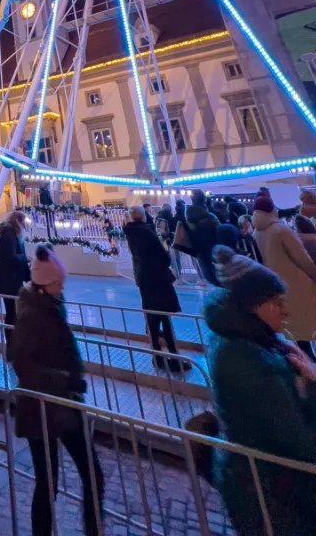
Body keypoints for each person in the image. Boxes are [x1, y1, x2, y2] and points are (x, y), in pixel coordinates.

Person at [205, 244, 316, 535]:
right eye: (277, 303)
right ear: (250, 305)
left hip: (263, 482)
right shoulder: (246, 359)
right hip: (268, 492)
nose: (287, 311)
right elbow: (303, 444)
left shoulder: (251, 340)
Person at [12, 244, 104, 536]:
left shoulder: (48, 306)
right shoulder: (33, 315)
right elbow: (22, 362)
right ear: (45, 284)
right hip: (47, 407)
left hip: (58, 405)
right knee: (55, 478)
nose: (62, 287)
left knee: (56, 478)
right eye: (57, 282)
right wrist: (66, 381)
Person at [124, 207, 189, 372]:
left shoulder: (131, 232)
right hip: (158, 279)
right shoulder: (146, 232)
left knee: (152, 319)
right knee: (164, 318)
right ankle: (174, 358)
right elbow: (163, 257)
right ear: (144, 216)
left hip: (145, 280)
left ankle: (157, 356)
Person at [253, 192, 316, 360]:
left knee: (295, 322)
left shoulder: (258, 232)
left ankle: (305, 357)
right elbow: (302, 257)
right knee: (309, 318)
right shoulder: (281, 230)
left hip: (280, 283)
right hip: (299, 281)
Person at [0, 210, 30, 355]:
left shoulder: (10, 234)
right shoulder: (9, 235)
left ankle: (14, 342)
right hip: (9, 280)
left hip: (10, 279)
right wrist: (25, 258)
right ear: (17, 221)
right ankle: (12, 344)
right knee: (12, 312)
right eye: (22, 222)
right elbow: (10, 256)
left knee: (13, 311)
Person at [185, 190, 219, 283]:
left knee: (206, 268)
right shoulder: (210, 215)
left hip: (198, 243)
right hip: (213, 242)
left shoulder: (189, 213)